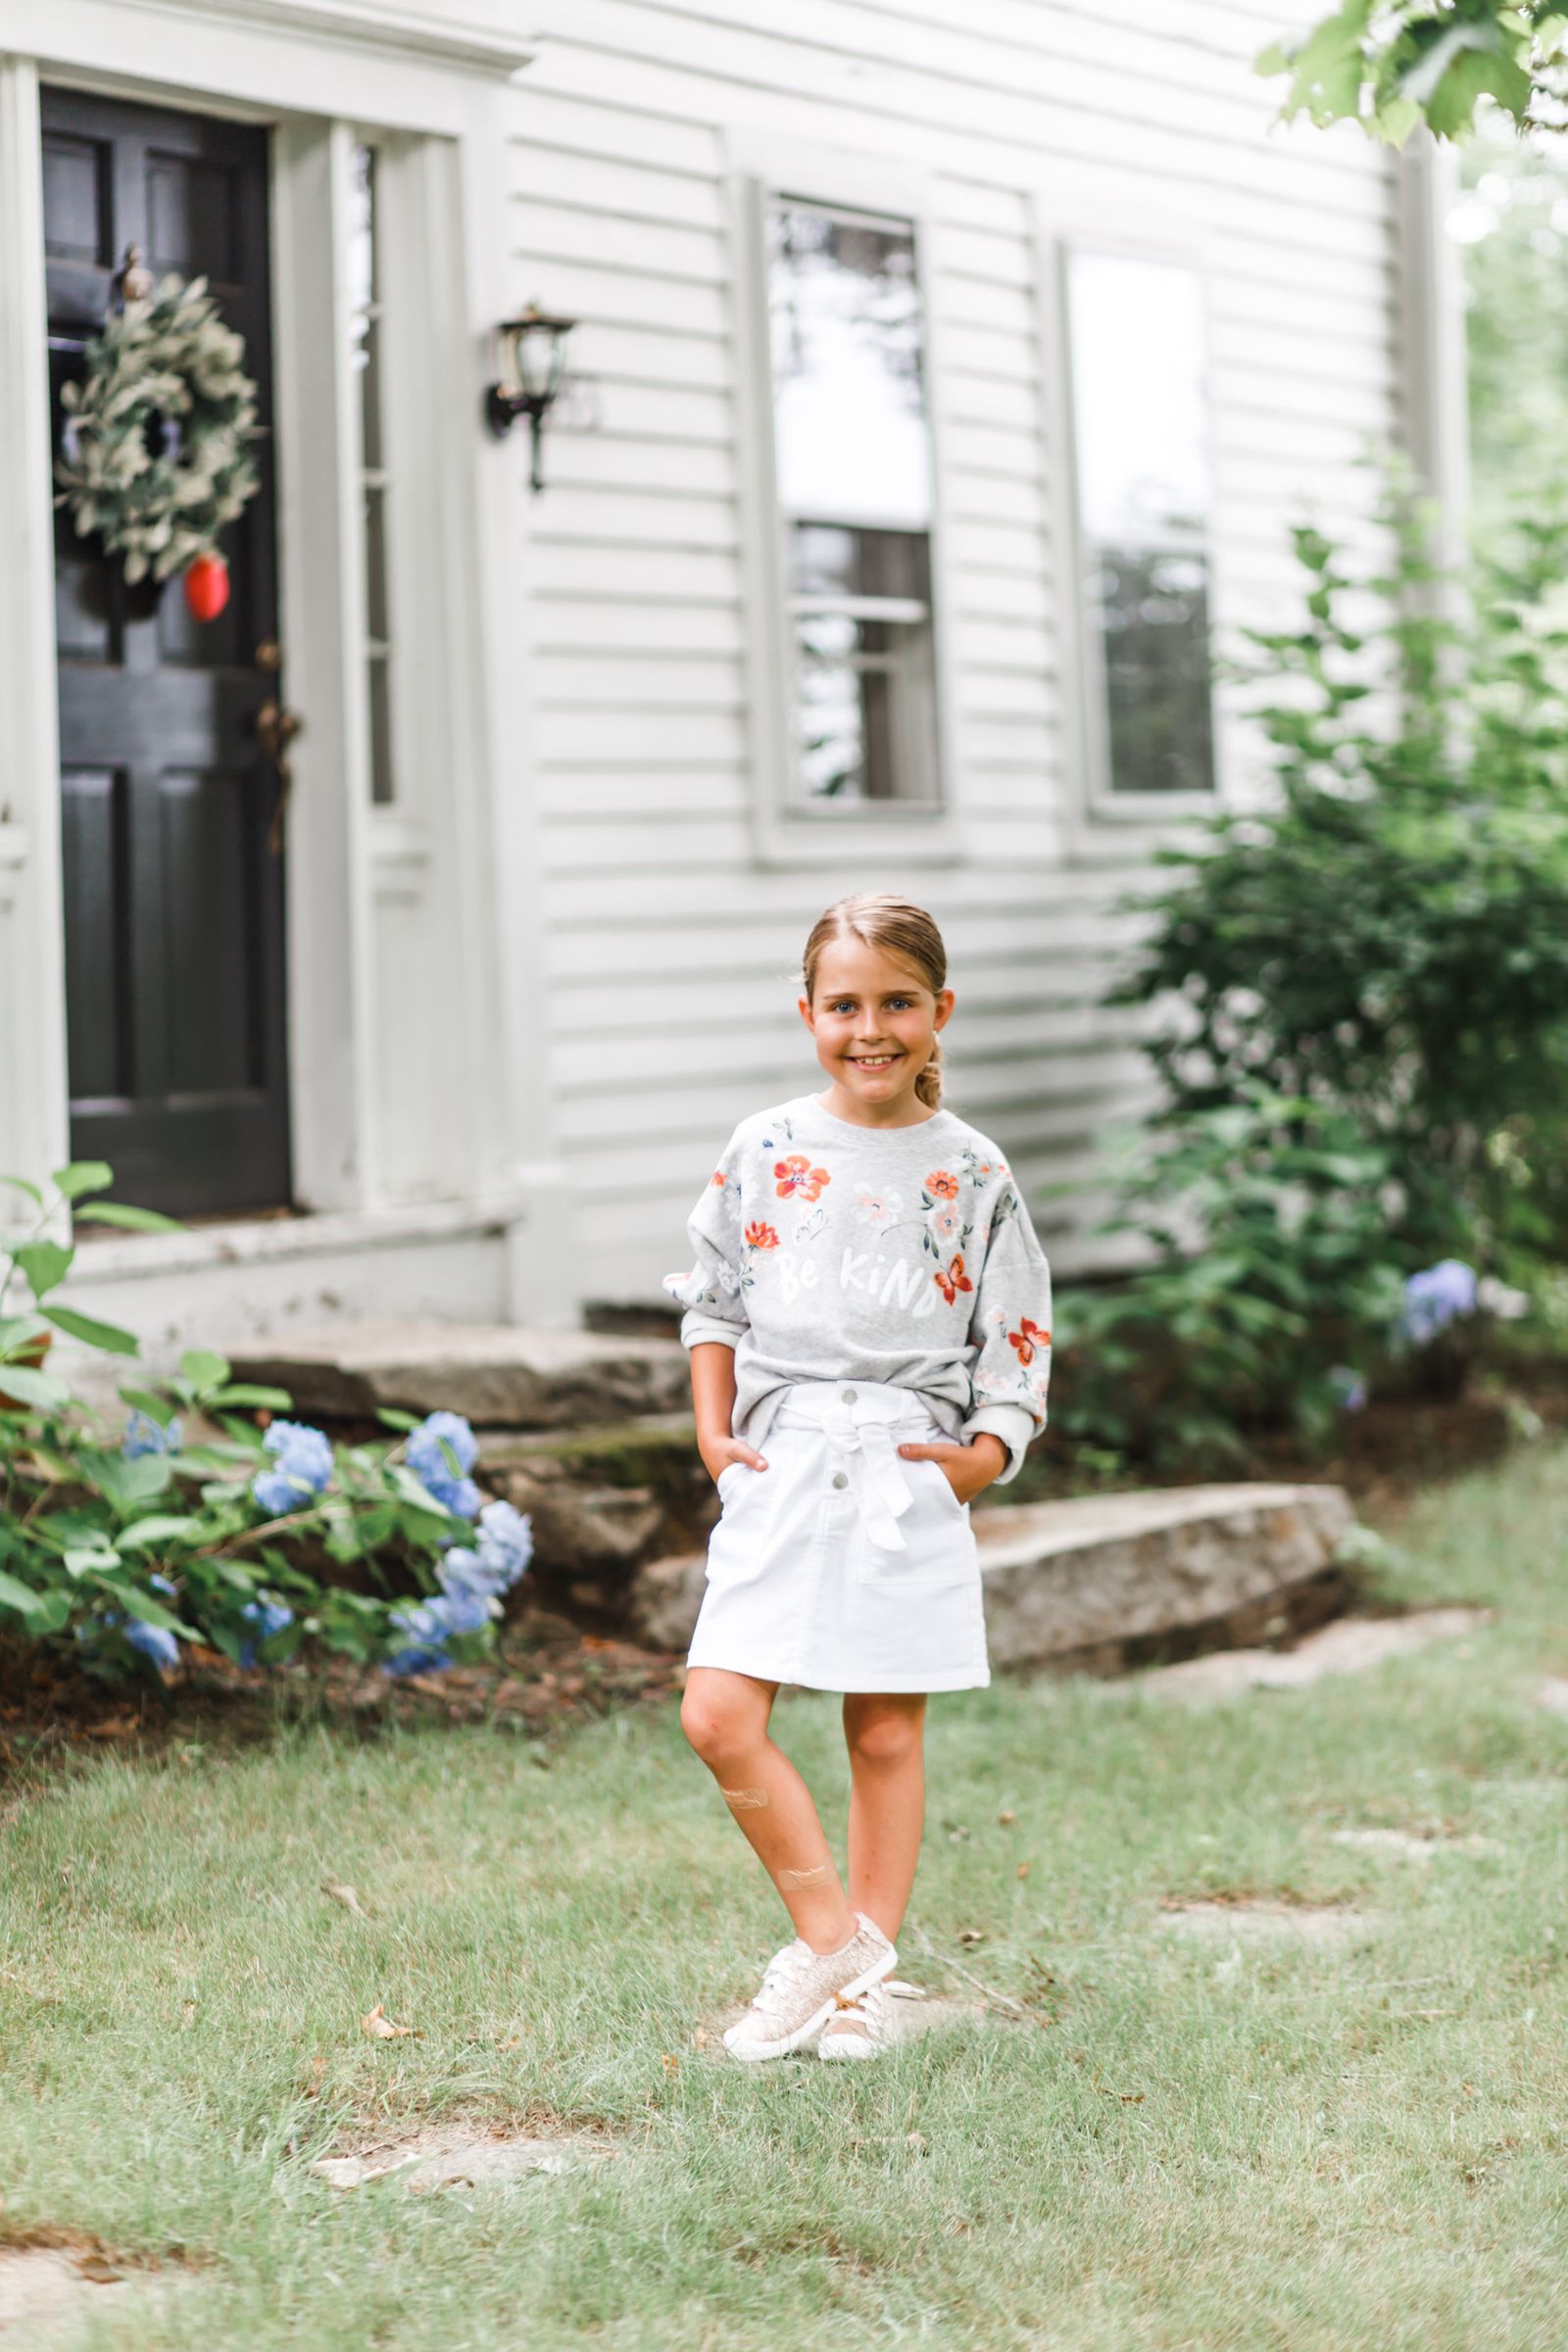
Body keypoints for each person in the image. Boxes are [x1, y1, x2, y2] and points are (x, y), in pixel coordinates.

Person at [663, 892, 1053, 2062]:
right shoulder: (764, 1149)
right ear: (807, 1014)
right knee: (717, 1714)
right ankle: (830, 1939)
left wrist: (982, 1457)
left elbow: (1017, 1336)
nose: (870, 1029)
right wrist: (713, 1434)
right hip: (780, 1460)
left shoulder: (973, 1171)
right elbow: (712, 1301)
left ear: (940, 1011)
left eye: (897, 1003)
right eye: (844, 1006)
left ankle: (857, 1994)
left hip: (903, 1468)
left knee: (883, 1733)